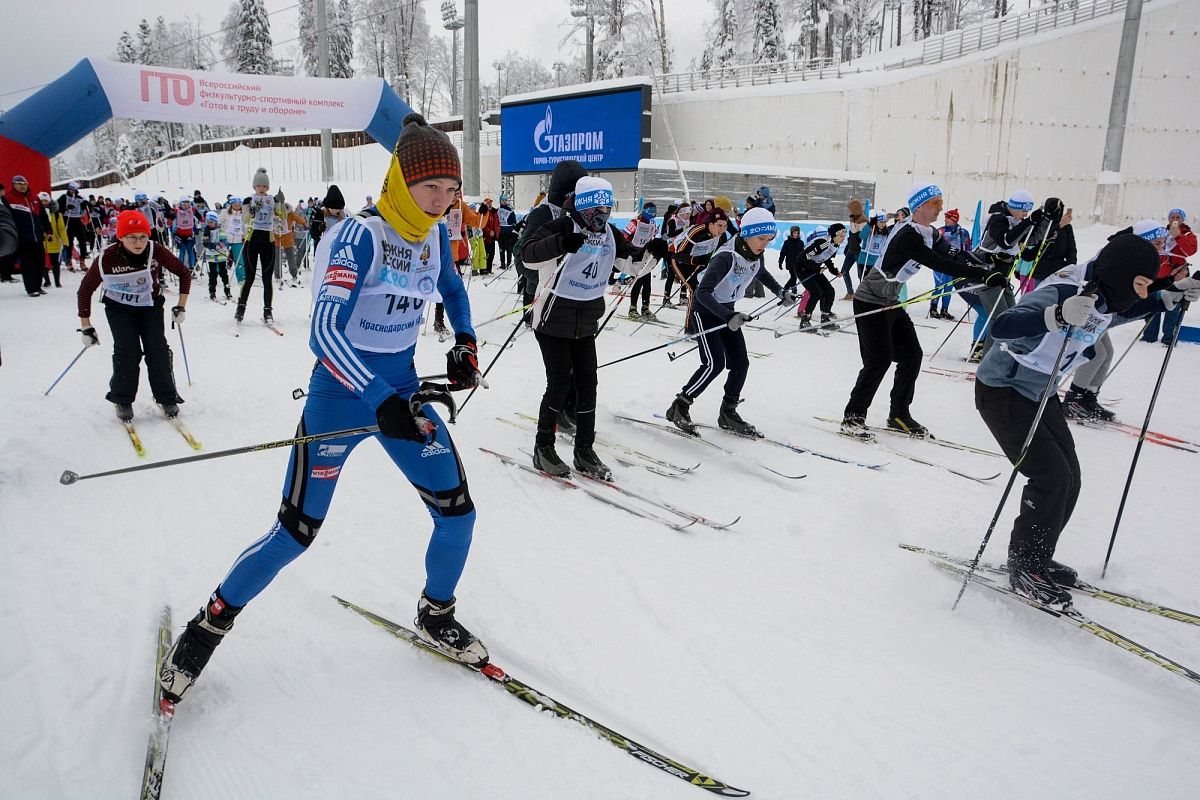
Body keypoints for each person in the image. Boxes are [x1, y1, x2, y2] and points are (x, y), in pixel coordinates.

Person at [158, 113, 488, 707]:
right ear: (401, 182)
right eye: (429, 188)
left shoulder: (436, 234)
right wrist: (378, 398)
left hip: (401, 392)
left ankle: (436, 612)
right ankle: (208, 625)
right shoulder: (361, 234)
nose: (441, 201)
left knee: (457, 513)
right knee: (295, 533)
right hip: (341, 396)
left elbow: (456, 290)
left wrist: (463, 342)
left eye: (449, 189)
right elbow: (324, 332)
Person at [974, 234, 1196, 605]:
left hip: (1040, 393)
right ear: (1122, 274)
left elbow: (1119, 311)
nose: (1141, 293)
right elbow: (1003, 325)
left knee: (1070, 476)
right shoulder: (1067, 289)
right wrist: (1055, 315)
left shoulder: (1108, 291)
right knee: (1050, 476)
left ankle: (1037, 557)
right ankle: (1025, 565)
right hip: (1004, 390)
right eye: (1140, 284)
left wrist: (1166, 295)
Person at [520, 176, 667, 478]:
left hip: (585, 321)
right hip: (552, 320)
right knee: (559, 384)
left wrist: (653, 252)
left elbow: (632, 264)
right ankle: (543, 447)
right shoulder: (561, 226)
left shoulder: (610, 234)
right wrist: (560, 244)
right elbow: (528, 255)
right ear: (584, 207)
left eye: (607, 208)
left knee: (588, 384)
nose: (603, 214)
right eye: (597, 208)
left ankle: (584, 449)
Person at [840, 182, 1001, 440]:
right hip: (870, 300)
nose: (940, 208)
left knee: (912, 355)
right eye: (935, 203)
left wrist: (987, 266)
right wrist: (980, 275)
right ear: (921, 206)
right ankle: (853, 416)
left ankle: (899, 414)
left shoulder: (930, 233)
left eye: (940, 202)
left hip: (891, 301)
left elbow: (955, 254)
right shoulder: (908, 236)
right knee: (878, 360)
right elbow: (939, 262)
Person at [664, 207, 796, 437]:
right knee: (713, 363)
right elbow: (702, 293)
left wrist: (780, 291)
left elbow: (760, 272)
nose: (764, 244)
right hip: (705, 312)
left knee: (740, 362)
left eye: (768, 239)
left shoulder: (753, 252)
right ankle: (680, 406)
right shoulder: (726, 256)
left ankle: (728, 411)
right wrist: (728, 317)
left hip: (727, 311)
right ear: (746, 234)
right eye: (760, 238)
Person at [76, 210, 190, 422]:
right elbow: (85, 290)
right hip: (119, 308)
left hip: (150, 305)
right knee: (127, 351)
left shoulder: (155, 250)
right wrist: (86, 326)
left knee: (157, 349)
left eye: (143, 236)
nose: (138, 243)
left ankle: (166, 396)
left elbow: (184, 273)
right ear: (120, 237)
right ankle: (123, 399)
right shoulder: (107, 258)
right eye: (132, 237)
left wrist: (181, 306)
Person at [514, 160, 588, 318]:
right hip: (544, 290)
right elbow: (522, 255)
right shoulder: (543, 213)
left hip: (573, 293)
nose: (573, 200)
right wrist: (543, 279)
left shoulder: (582, 214)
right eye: (570, 195)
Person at [1141, 208, 1197, 344]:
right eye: (1173, 216)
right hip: (1157, 273)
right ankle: (1149, 335)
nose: (1175, 219)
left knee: (1173, 306)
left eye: (1178, 217)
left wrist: (1178, 236)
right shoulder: (1162, 233)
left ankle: (1169, 338)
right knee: (1152, 303)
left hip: (1177, 274)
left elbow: (1190, 251)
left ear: (1183, 220)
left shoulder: (1188, 234)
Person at [236, 168, 280, 324]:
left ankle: (268, 311)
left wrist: (280, 204)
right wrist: (253, 211)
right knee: (250, 277)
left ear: (267, 187)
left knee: (267, 279)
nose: (261, 189)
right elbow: (245, 220)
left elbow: (282, 218)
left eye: (264, 186)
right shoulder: (249, 200)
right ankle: (241, 308)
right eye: (259, 186)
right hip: (252, 241)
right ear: (254, 187)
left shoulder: (272, 200)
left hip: (268, 241)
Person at [3, 175, 50, 297]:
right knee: (27, 264)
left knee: (39, 262)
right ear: (13, 185)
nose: (22, 186)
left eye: (24, 183)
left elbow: (43, 216)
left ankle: (38, 286)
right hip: (22, 237)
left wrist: (48, 230)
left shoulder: (34, 198)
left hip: (37, 236)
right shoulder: (8, 199)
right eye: (19, 184)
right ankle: (31, 288)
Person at [672, 206, 730, 307]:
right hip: (681, 261)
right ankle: (690, 322)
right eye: (719, 225)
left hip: (700, 263)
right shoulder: (697, 231)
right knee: (695, 290)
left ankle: (707, 318)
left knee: (708, 290)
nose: (722, 229)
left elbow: (722, 254)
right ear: (711, 224)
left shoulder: (722, 236)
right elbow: (678, 255)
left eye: (725, 226)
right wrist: (696, 260)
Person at [794, 224, 846, 330]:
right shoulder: (823, 243)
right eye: (841, 236)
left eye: (844, 236)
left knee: (829, 291)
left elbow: (826, 258)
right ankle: (805, 320)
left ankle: (825, 319)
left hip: (813, 268)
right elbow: (805, 256)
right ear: (834, 235)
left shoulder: (834, 244)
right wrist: (816, 269)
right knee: (816, 292)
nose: (843, 238)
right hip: (802, 268)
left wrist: (835, 271)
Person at [931, 208, 972, 320]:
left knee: (949, 287)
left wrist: (968, 259)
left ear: (954, 219)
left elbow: (968, 247)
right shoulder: (941, 231)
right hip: (940, 262)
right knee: (939, 285)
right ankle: (933, 308)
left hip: (954, 263)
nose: (945, 220)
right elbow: (934, 244)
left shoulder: (963, 232)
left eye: (948, 218)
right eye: (945, 217)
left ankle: (945, 310)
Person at [623, 201, 660, 320]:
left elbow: (652, 238)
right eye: (650, 212)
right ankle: (632, 308)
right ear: (644, 211)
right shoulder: (635, 222)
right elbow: (625, 235)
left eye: (654, 213)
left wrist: (654, 235)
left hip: (646, 255)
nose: (652, 215)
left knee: (647, 283)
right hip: (635, 254)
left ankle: (645, 307)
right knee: (638, 282)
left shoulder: (652, 223)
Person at [660, 200, 692, 307]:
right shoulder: (673, 221)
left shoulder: (687, 221)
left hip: (682, 250)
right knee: (671, 274)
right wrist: (682, 229)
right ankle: (666, 298)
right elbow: (670, 234)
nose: (688, 216)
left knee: (683, 273)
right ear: (682, 212)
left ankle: (683, 296)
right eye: (687, 214)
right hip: (671, 249)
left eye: (689, 214)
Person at [58, 181, 93, 269]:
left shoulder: (80, 198)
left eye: (73, 190)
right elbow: (57, 208)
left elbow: (88, 207)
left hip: (77, 220)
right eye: (70, 189)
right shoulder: (63, 197)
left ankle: (82, 260)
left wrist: (87, 205)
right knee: (69, 242)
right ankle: (69, 260)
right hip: (67, 220)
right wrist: (66, 207)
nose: (72, 191)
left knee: (82, 240)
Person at [200, 210, 233, 301]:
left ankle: (227, 291)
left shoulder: (221, 231)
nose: (210, 224)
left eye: (211, 222)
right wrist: (206, 243)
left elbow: (224, 242)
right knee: (213, 275)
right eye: (208, 222)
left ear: (215, 222)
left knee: (223, 274)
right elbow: (204, 241)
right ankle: (212, 292)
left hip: (221, 256)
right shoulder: (206, 231)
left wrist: (217, 245)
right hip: (211, 257)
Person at [841, 199, 867, 299]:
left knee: (861, 274)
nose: (849, 211)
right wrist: (848, 245)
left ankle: (862, 294)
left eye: (850, 209)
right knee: (844, 271)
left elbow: (863, 237)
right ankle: (850, 292)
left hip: (859, 252)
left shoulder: (862, 220)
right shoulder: (852, 218)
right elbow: (852, 235)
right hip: (851, 250)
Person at [42, 192, 68, 288]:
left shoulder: (56, 214)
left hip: (54, 240)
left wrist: (65, 241)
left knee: (55, 262)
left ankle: (57, 281)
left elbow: (61, 228)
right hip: (42, 240)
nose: (44, 203)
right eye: (42, 201)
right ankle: (47, 281)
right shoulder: (37, 212)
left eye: (46, 201)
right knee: (42, 262)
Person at [172, 196, 198, 275]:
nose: (186, 206)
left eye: (188, 204)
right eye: (184, 204)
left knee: (190, 251)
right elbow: (170, 215)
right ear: (181, 204)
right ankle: (180, 268)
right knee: (182, 251)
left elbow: (199, 216)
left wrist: (202, 219)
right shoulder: (177, 210)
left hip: (189, 234)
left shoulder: (192, 209)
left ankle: (191, 268)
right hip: (179, 235)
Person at [496, 194, 518, 269]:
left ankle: (508, 263)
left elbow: (514, 222)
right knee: (501, 248)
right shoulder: (498, 210)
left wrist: (515, 230)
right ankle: (502, 263)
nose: (504, 202)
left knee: (508, 248)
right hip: (500, 232)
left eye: (506, 200)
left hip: (508, 231)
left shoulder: (510, 210)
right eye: (503, 200)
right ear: (500, 201)